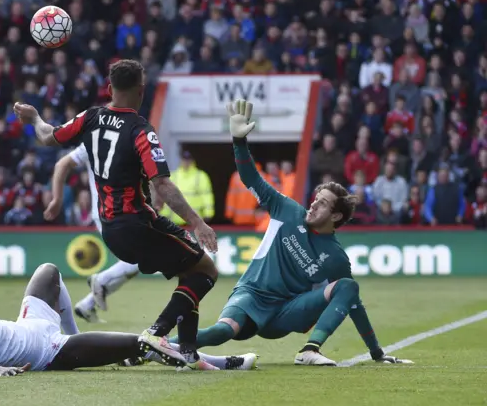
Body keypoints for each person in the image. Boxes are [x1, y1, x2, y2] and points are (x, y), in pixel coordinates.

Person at [169, 100, 413, 366]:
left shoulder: (335, 256)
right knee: (221, 332)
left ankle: (310, 350)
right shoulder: (286, 209)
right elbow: (251, 179)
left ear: (336, 216)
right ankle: (152, 347)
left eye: (323, 203)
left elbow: (352, 302)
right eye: (315, 198)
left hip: (285, 313)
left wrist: (376, 352)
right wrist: (239, 141)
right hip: (251, 294)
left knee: (348, 286)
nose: (313, 204)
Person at [13, 59, 219, 370]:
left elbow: (47, 137)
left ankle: (187, 353)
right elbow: (162, 184)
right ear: (141, 90)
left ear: (110, 88)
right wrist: (198, 223)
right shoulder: (141, 131)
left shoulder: (91, 117)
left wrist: (34, 117)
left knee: (189, 272)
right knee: (206, 270)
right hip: (138, 222)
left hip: (110, 229)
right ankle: (156, 334)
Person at [0, 263, 258, 374]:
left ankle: (78, 332)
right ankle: (216, 363)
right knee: (139, 343)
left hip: (32, 325)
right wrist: (0, 372)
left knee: (48, 271)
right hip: (51, 351)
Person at [44, 144, 140, 324]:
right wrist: (57, 199)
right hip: (117, 212)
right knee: (142, 259)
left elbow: (62, 163)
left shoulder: (90, 140)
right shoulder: (121, 133)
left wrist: (56, 198)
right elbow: (62, 163)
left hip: (110, 212)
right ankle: (101, 280)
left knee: (135, 262)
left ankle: (87, 304)